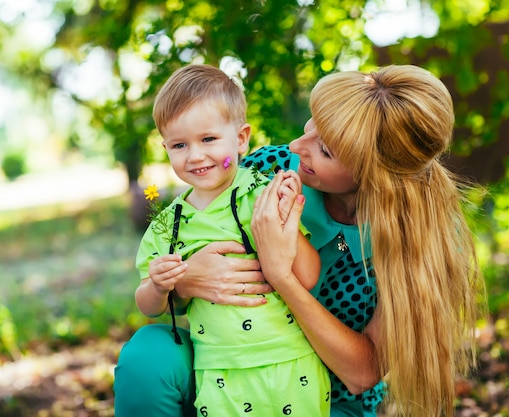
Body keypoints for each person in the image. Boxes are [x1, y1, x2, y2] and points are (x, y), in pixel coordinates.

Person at [114, 64, 484, 417]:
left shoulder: (423, 240)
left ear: (374, 175)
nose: (295, 145)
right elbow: (191, 240)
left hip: (329, 398)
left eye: (324, 149)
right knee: (148, 356)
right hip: (229, 370)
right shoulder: (270, 169)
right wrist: (185, 279)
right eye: (311, 126)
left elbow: (361, 373)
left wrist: (282, 276)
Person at [132, 64, 331, 417]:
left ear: (241, 139)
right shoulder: (168, 226)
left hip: (291, 362)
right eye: (179, 145)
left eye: (208, 139)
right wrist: (160, 286)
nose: (195, 155)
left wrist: (289, 219)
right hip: (220, 373)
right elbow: (150, 305)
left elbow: (310, 275)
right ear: (165, 148)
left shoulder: (263, 196)